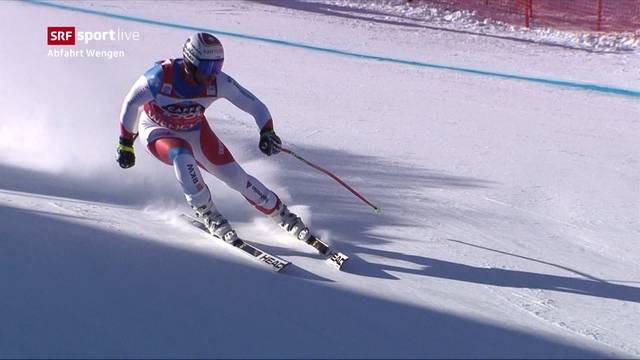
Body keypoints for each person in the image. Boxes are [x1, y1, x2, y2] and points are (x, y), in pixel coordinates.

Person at [117, 32, 310, 244]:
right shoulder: (159, 77)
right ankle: (207, 212)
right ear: (190, 63)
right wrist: (126, 143)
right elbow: (130, 103)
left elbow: (255, 105)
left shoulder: (218, 82)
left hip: (195, 130)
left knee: (236, 177)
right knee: (181, 155)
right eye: (208, 68)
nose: (213, 74)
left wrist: (267, 131)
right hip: (156, 129)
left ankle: (281, 214)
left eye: (217, 67)